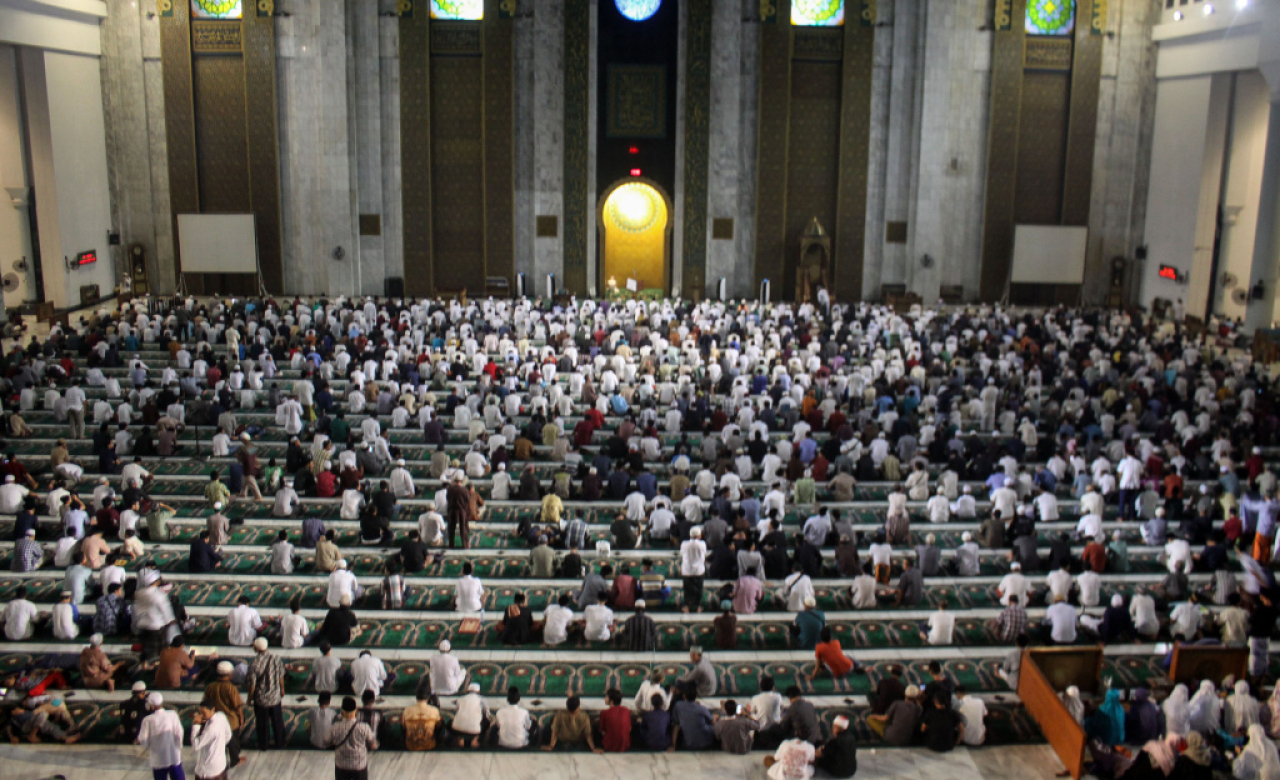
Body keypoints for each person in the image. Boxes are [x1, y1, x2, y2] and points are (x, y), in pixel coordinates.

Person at [245, 637, 286, 750]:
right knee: (277, 721)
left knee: (262, 724)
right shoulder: (276, 658)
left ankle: (263, 744)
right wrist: (282, 689)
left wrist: (249, 698)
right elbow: (281, 675)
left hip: (261, 699)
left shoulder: (254, 663)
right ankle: (280, 743)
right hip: (275, 696)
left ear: (257, 648)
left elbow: (252, 684)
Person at [325, 696, 378, 780]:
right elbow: (373, 745)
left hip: (341, 765)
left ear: (342, 713)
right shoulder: (364, 727)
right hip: (359, 766)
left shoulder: (334, 728)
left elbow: (326, 741)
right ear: (356, 711)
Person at [136, 693, 184, 780]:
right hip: (173, 756)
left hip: (158, 759)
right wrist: (178, 746)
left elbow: (143, 739)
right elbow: (179, 732)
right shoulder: (172, 714)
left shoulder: (148, 720)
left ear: (152, 706)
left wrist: (148, 745)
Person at [190, 699, 234, 780]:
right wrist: (218, 746)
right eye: (200, 713)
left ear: (212, 709)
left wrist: (196, 725)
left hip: (208, 771)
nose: (201, 715)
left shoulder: (211, 729)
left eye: (203, 713)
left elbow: (196, 746)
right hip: (220, 764)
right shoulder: (221, 716)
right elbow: (228, 735)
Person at [599, 688, 632, 752]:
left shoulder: (604, 713)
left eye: (606, 697)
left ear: (611, 701)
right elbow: (629, 728)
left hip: (610, 745)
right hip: (625, 744)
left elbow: (602, 730)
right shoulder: (626, 710)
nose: (604, 698)